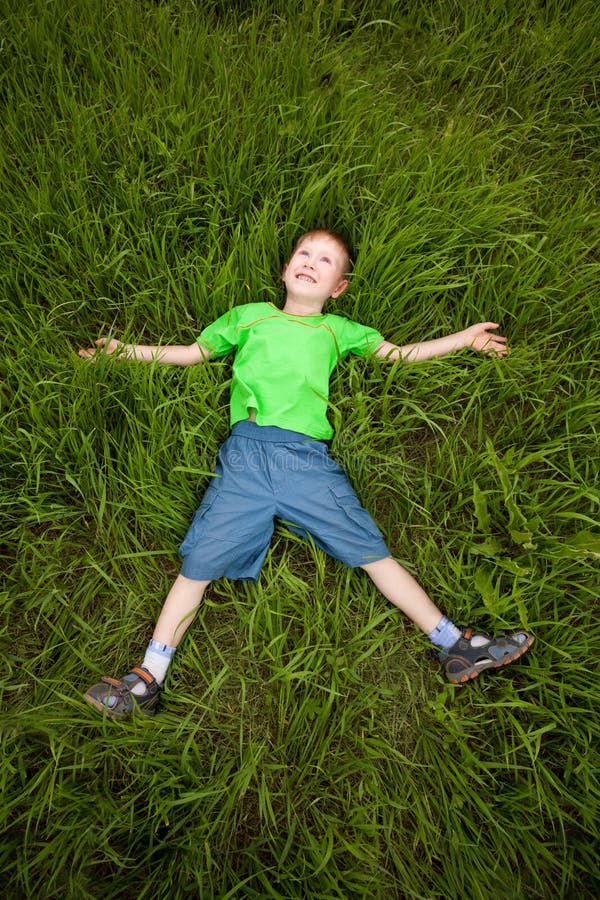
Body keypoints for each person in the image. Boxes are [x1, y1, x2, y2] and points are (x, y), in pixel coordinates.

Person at [80, 228, 534, 718]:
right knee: (199, 563)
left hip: (306, 462)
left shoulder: (339, 330)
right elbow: (192, 354)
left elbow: (399, 353)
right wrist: (123, 350)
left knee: (371, 551)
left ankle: (455, 644)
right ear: (285, 269)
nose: (311, 263)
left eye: (326, 261)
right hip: (246, 459)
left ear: (337, 288)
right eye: (304, 254)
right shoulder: (250, 316)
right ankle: (148, 679)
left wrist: (465, 340)